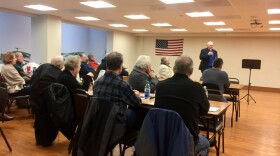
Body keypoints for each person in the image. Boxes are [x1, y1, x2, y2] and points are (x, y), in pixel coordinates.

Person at [154, 55, 210, 156]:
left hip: (162, 137)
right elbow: (205, 110)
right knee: (206, 143)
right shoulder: (197, 88)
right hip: (186, 140)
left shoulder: (160, 86)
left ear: (174, 69)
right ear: (191, 71)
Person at [93, 52, 141, 130]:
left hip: (99, 121)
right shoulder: (122, 85)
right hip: (116, 123)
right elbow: (136, 103)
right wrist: (137, 95)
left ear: (107, 65)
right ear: (121, 66)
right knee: (135, 113)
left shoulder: (97, 82)